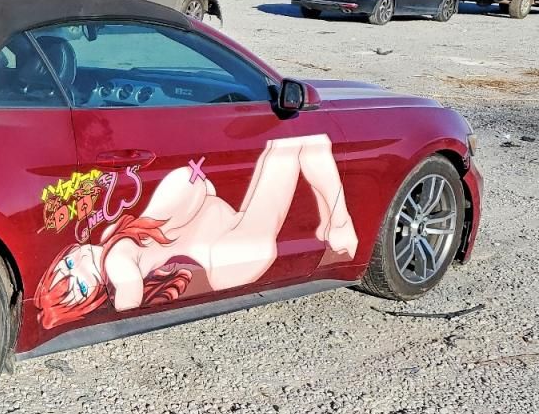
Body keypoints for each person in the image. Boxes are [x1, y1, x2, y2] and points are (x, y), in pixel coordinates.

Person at [36, 134, 357, 329]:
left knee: (297, 144)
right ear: (90, 300)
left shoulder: (109, 240)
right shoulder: (114, 261)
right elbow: (129, 296)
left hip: (221, 235)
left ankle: (335, 227)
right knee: (299, 142)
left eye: (65, 265)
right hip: (228, 250)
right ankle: (339, 227)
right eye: (78, 284)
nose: (77, 263)